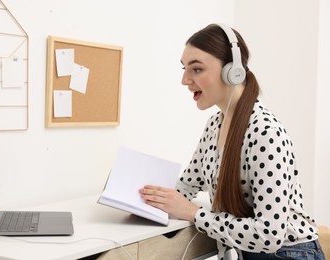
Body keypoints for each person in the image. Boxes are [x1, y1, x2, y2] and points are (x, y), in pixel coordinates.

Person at [139, 23, 325, 260]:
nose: (185, 80)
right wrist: (141, 198)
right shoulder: (214, 124)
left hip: (288, 254)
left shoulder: (265, 132)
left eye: (196, 69)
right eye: (184, 69)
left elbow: (269, 234)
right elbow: (187, 185)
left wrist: (195, 214)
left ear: (233, 71)